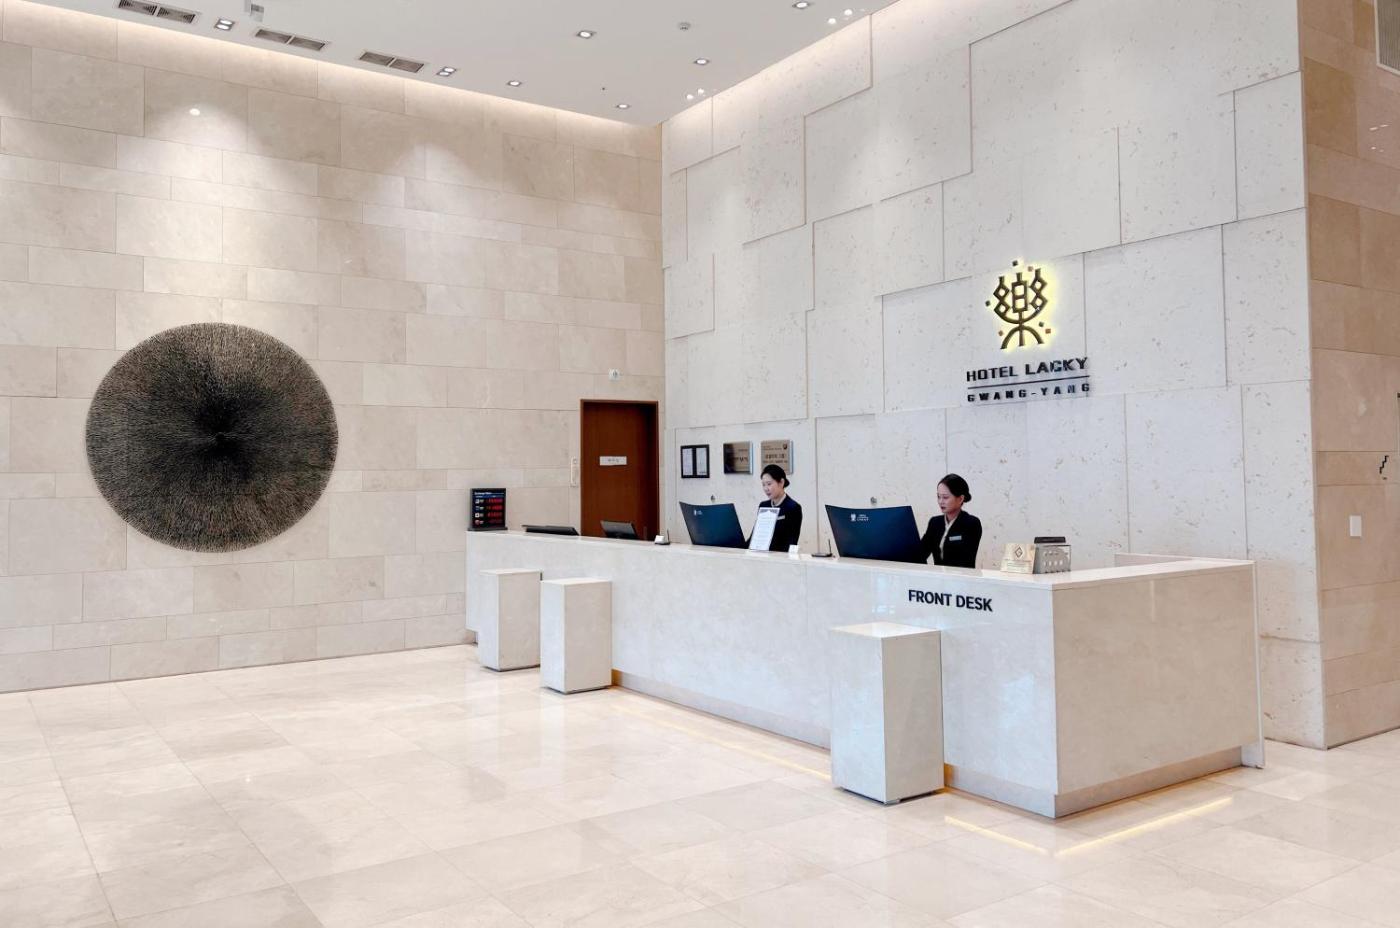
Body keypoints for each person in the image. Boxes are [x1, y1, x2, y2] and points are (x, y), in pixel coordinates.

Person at [919, 473, 982, 568]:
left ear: (960, 499)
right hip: (938, 576)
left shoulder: (971, 523)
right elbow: (920, 553)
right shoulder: (935, 523)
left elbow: (965, 559)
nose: (940, 501)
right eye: (938, 496)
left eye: (945, 497)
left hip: (961, 576)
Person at [752, 463, 803, 551]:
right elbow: (754, 537)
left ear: (781, 482)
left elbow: (792, 542)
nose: (766, 488)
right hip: (760, 554)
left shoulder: (793, 508)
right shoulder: (763, 506)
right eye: (763, 485)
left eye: (769, 484)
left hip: (780, 557)